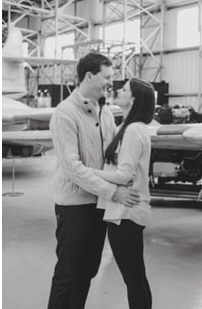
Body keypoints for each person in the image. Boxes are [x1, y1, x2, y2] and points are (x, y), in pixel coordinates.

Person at [48, 52, 140, 309]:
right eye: (106, 77)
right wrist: (113, 192)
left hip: (98, 205)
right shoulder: (65, 113)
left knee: (87, 271)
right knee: (67, 274)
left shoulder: (105, 112)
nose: (110, 83)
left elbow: (110, 157)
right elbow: (72, 168)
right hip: (74, 207)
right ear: (89, 76)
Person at [84, 78, 156, 309]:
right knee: (135, 276)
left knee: (133, 278)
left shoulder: (134, 130)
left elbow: (124, 175)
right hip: (126, 212)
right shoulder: (129, 126)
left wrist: (88, 172)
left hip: (127, 213)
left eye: (124, 89)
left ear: (133, 99)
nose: (118, 91)